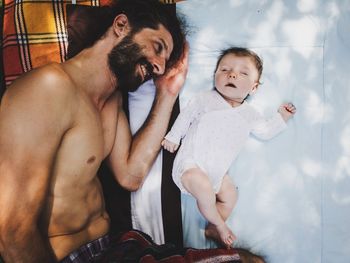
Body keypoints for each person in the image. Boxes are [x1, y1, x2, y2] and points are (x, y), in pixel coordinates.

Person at [0, 0, 188, 262]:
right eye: (158, 47)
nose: (158, 66)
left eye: (164, 61)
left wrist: (167, 94)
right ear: (121, 25)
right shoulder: (48, 89)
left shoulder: (111, 102)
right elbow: (13, 234)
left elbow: (131, 176)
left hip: (113, 247)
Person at [162, 47, 297, 248]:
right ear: (215, 76)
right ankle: (220, 224)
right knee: (204, 188)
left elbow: (266, 131)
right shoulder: (205, 99)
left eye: (243, 73)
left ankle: (212, 227)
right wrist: (173, 136)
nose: (232, 74)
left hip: (218, 173)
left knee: (230, 195)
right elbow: (186, 116)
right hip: (190, 166)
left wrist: (282, 117)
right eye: (224, 70)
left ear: (254, 88)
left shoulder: (249, 114)